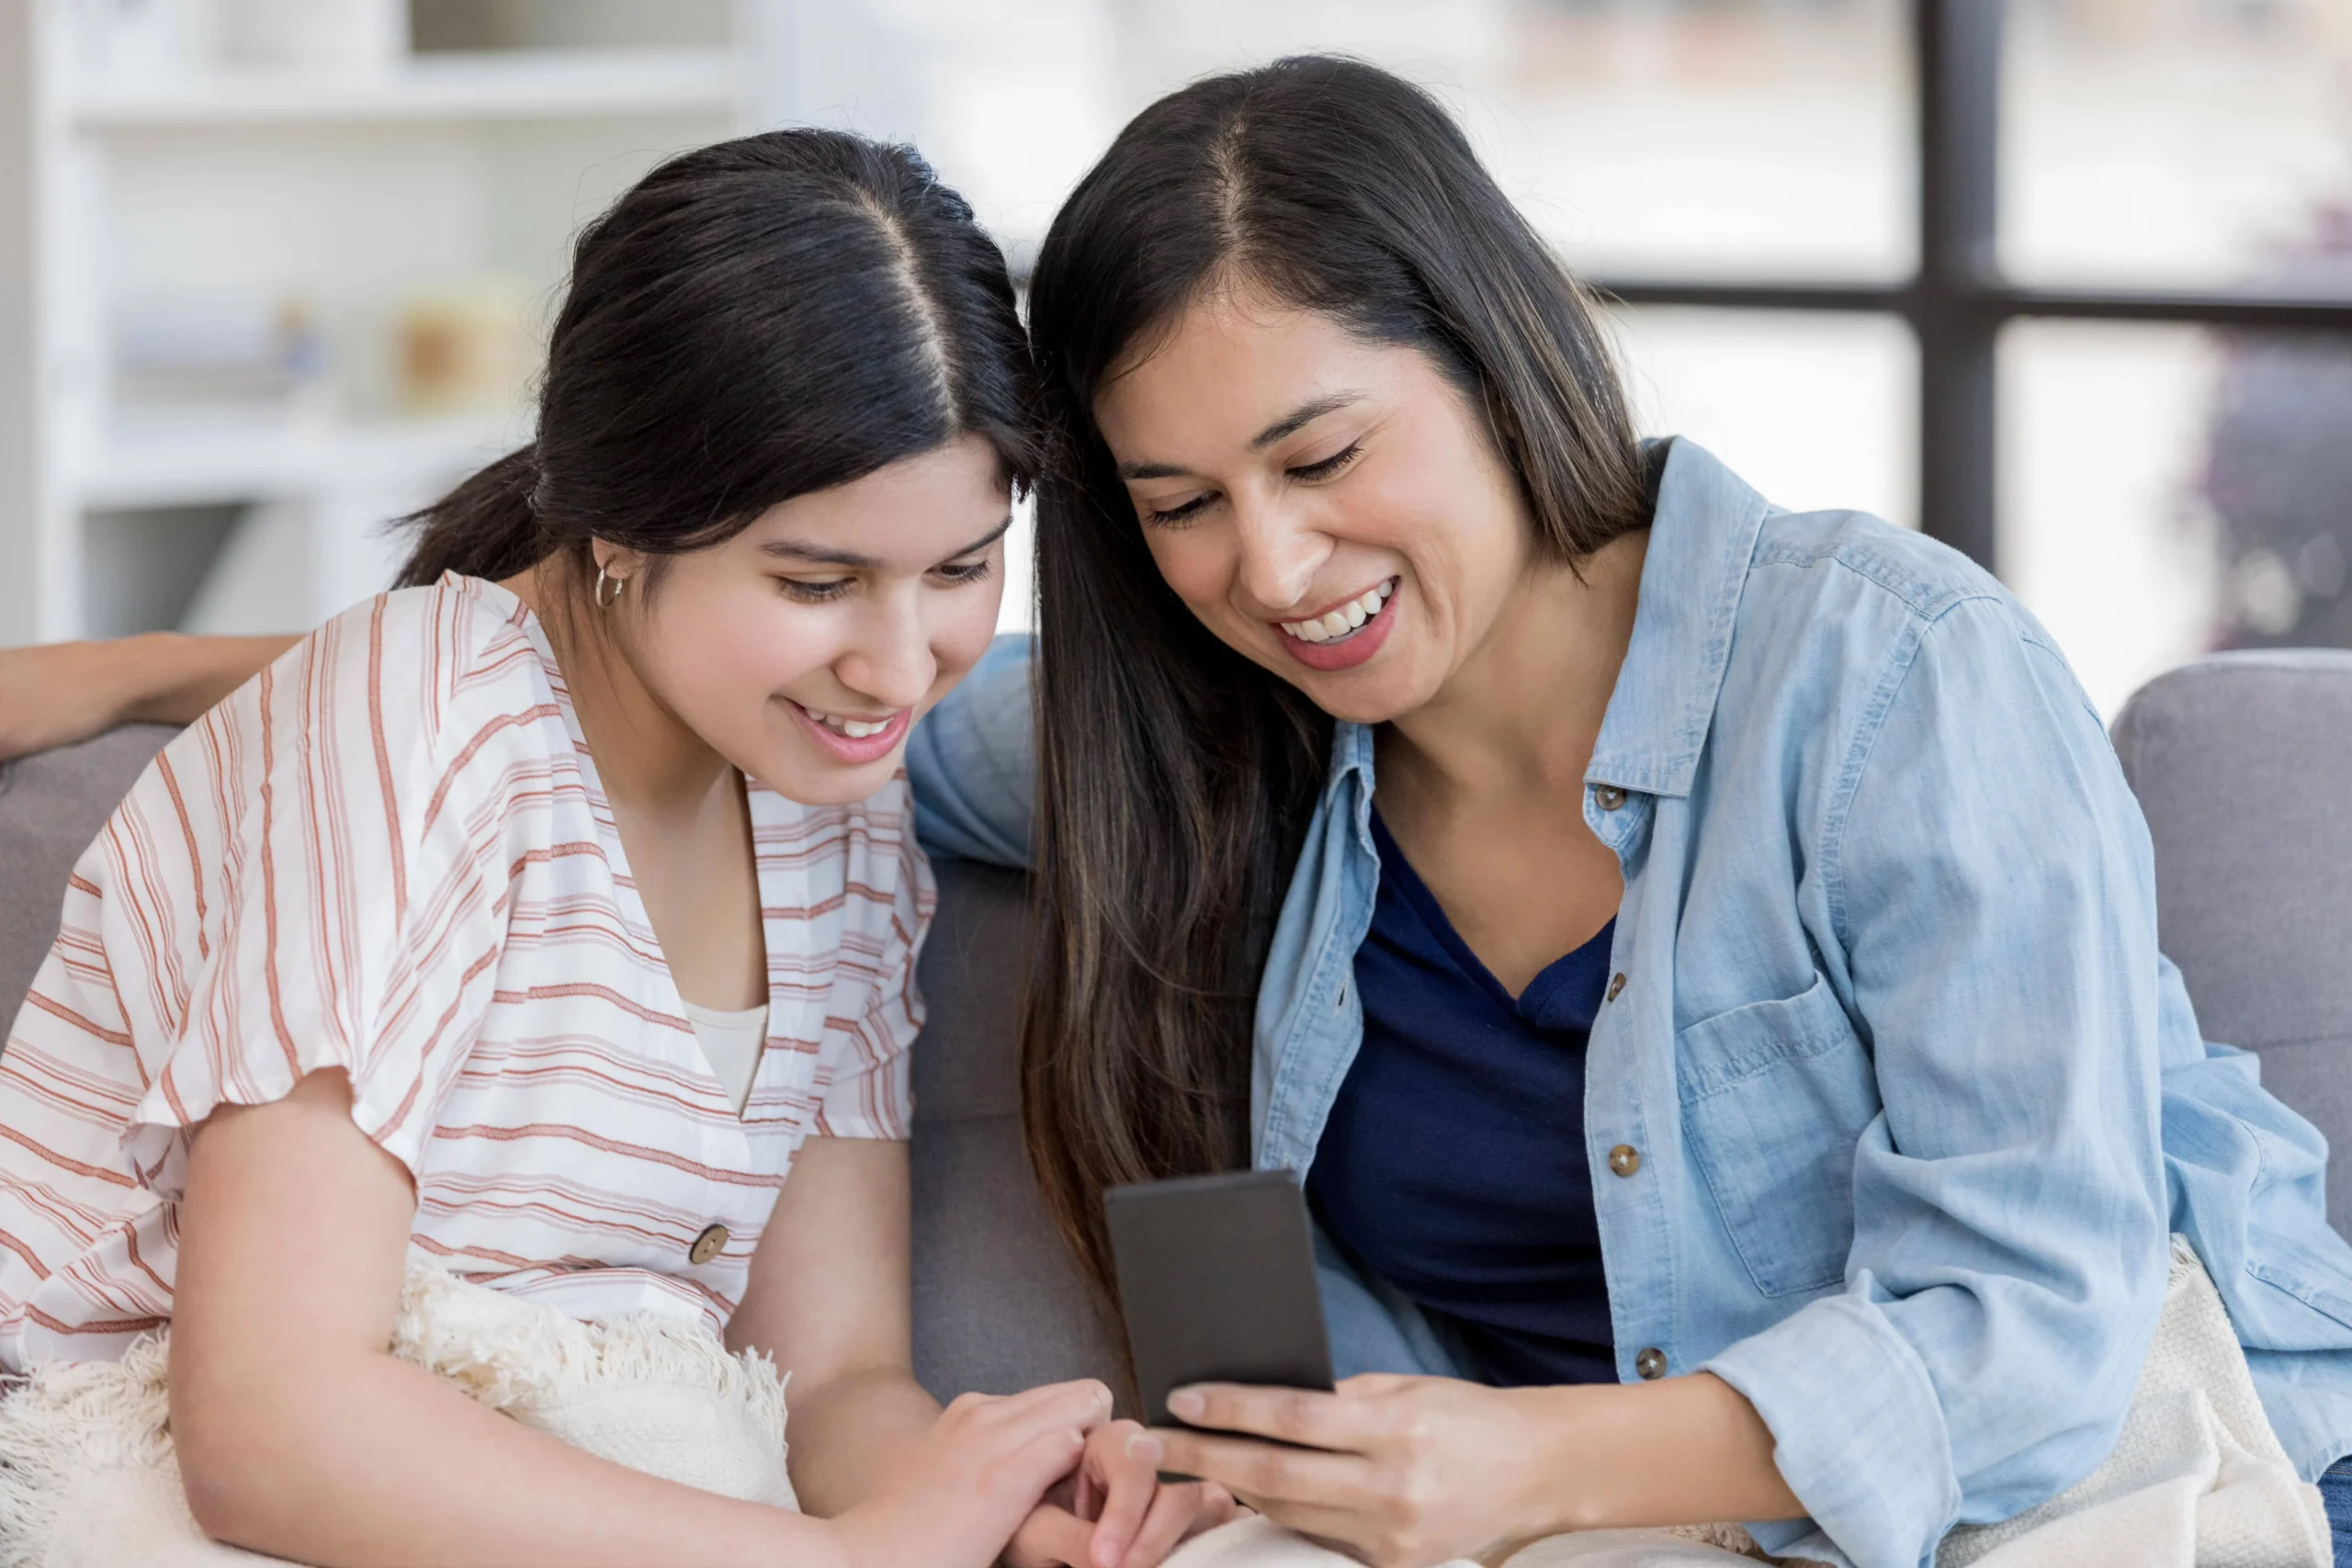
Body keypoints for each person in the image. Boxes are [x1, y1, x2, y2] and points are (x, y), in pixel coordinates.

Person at [13, 58, 2352, 1568]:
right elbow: (678, 668)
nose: (1275, 570)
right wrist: (144, 675)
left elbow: (2033, 1323)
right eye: (1175, 508)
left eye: (1324, 459)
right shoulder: (1191, 727)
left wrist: (1531, 1465)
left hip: (2084, 1461)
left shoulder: (1889, 680)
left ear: (1495, 341)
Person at [0, 130, 1228, 1568]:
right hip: (126, 1469)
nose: (902, 668)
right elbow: (270, 1429)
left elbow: (828, 1381)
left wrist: (995, 1507)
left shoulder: (835, 802)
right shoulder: (423, 729)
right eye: (817, 581)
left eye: (960, 568)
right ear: (621, 529)